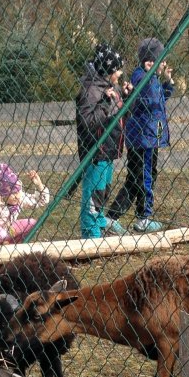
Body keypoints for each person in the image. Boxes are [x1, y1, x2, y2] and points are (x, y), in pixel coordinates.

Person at [107, 37, 174, 234]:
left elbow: (159, 100)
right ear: (150, 62)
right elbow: (146, 101)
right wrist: (133, 91)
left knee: (144, 176)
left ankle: (139, 216)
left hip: (150, 136)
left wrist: (168, 83)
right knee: (141, 177)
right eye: (161, 60)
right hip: (143, 137)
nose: (164, 64)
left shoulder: (150, 79)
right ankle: (128, 216)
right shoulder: (142, 77)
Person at [76, 43, 130, 239]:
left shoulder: (110, 87)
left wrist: (126, 97)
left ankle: (99, 222)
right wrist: (105, 103)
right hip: (95, 150)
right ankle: (90, 232)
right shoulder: (91, 89)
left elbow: (120, 114)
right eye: (118, 69)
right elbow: (87, 121)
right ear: (109, 71)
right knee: (94, 192)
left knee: (104, 189)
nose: (120, 73)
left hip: (109, 148)